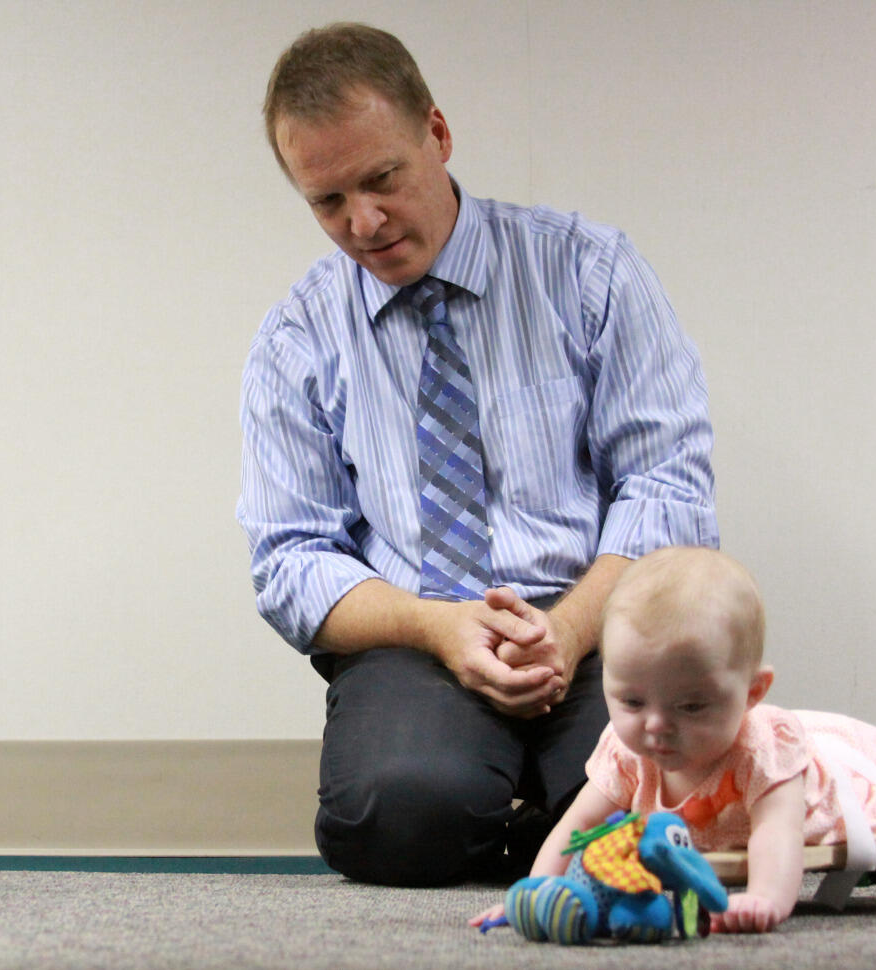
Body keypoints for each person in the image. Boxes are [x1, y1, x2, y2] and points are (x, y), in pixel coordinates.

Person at [236, 23, 717, 886]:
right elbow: (288, 559)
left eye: (382, 179)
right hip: (418, 642)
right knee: (393, 819)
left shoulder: (590, 273)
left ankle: (544, 824)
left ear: (439, 133)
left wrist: (568, 631)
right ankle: (549, 835)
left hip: (603, 625)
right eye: (328, 201)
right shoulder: (295, 340)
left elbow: (668, 486)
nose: (364, 221)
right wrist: (436, 625)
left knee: (670, 806)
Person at [470, 546, 876, 933]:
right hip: (737, 820)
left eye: (691, 705)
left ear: (752, 693)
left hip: (833, 789)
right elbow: (574, 829)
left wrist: (769, 899)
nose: (656, 725)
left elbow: (777, 833)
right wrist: (534, 897)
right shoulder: (628, 751)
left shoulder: (760, 749)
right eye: (631, 701)